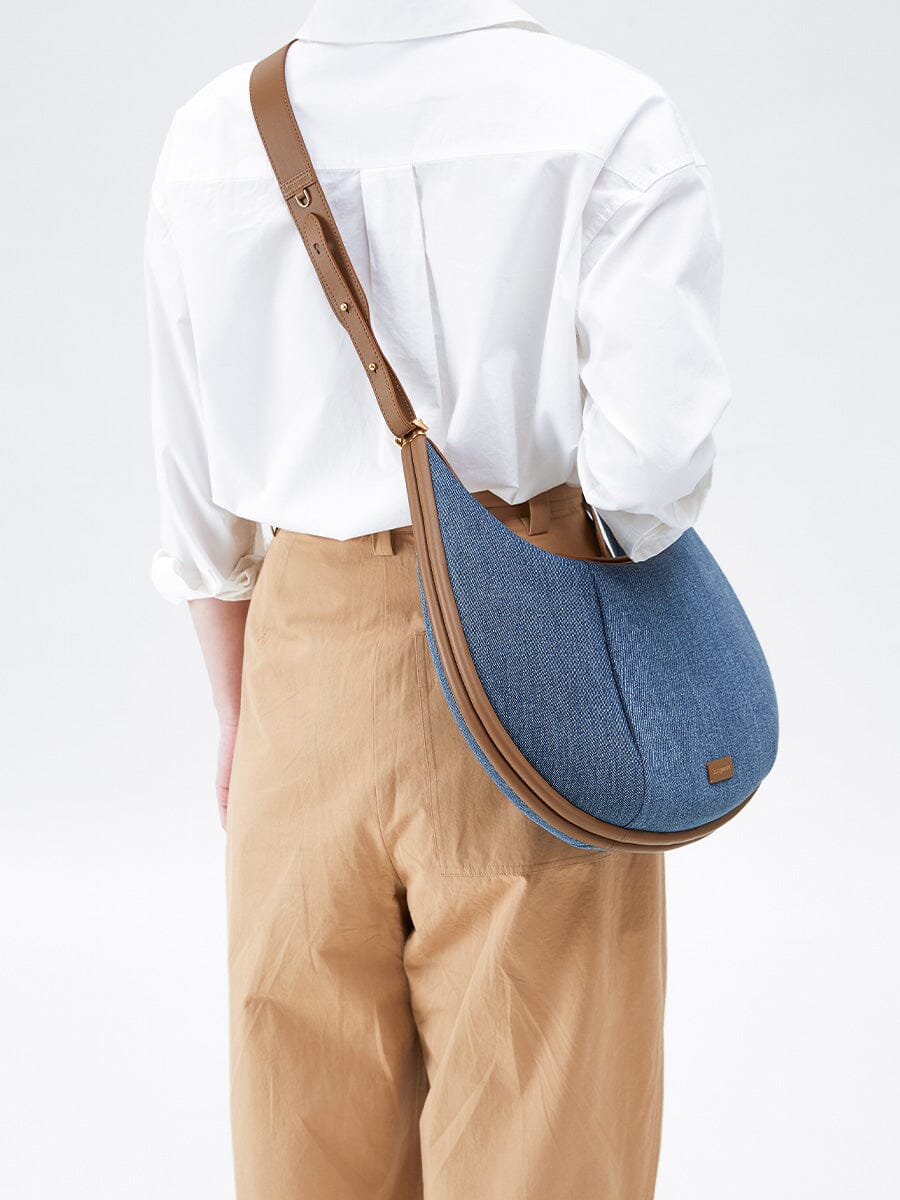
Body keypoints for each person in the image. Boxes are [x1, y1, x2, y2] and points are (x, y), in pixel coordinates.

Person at [143, 2, 731, 1197]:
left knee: (305, 1127)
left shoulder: (211, 136)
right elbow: (652, 472)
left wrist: (240, 715)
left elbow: (196, 499)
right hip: (536, 647)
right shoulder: (605, 117)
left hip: (302, 664)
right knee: (545, 1130)